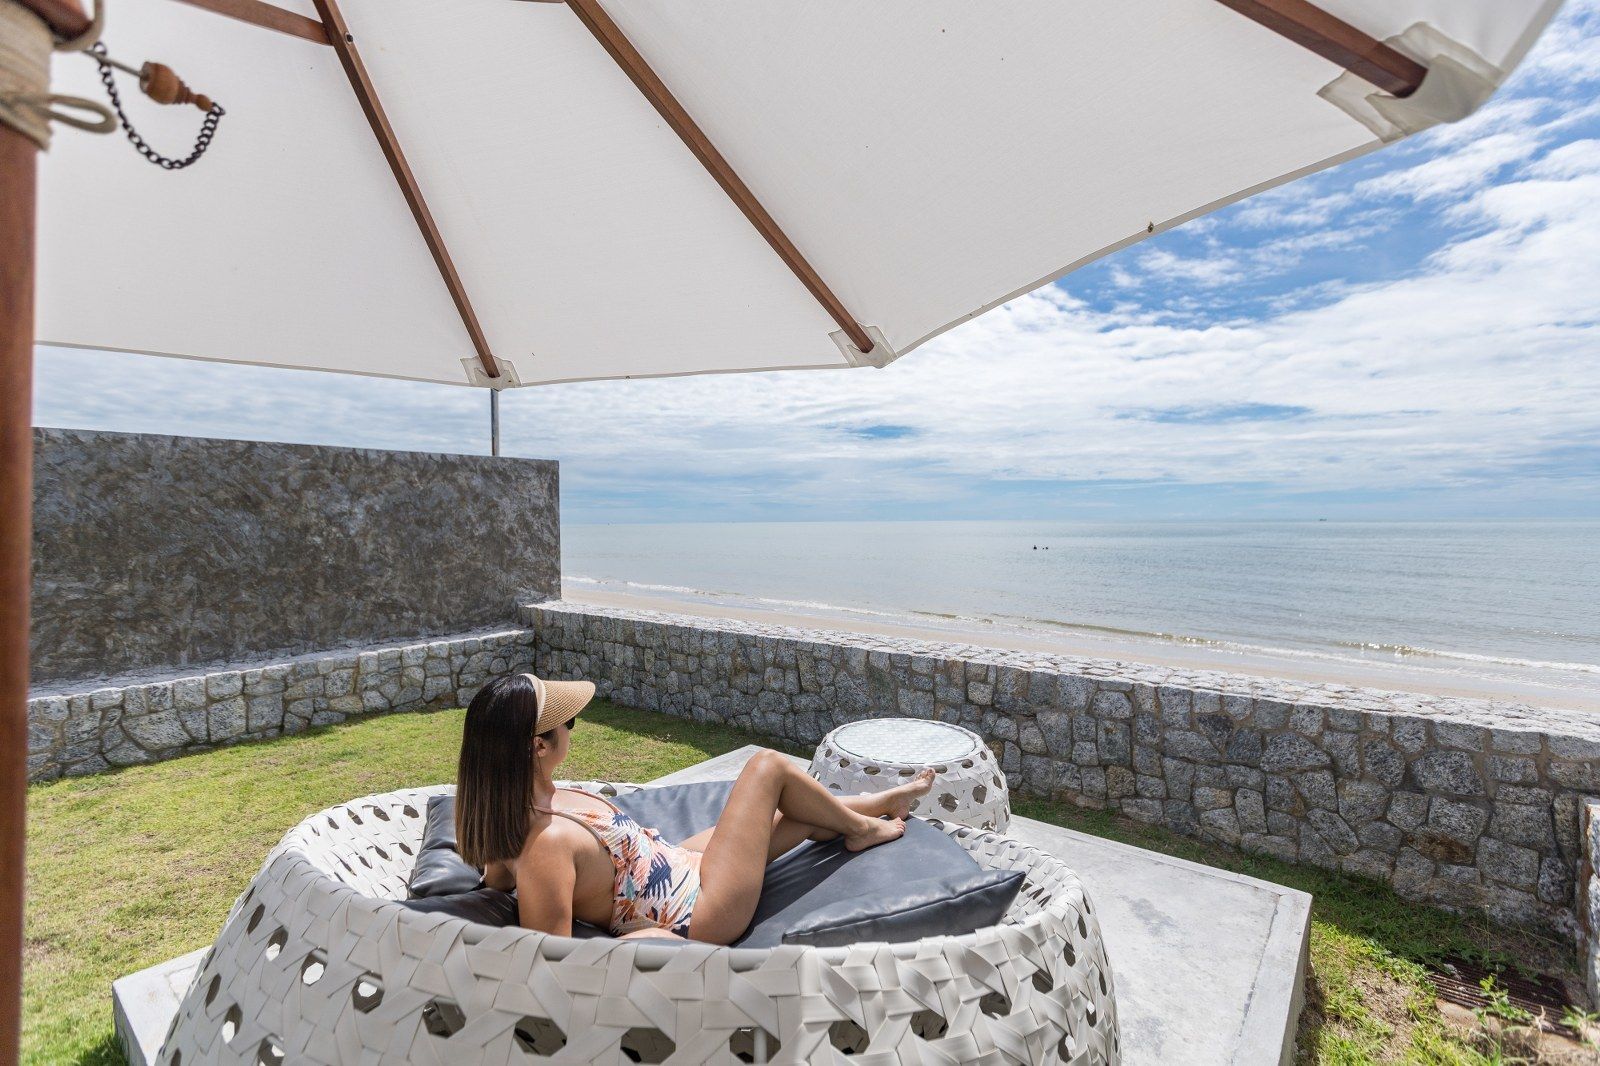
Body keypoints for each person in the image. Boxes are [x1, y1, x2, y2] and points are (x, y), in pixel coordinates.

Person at [455, 672, 935, 944]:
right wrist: (642, 946)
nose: (573, 729)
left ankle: (873, 804)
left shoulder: (516, 809)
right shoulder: (547, 844)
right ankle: (862, 827)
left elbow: (497, 876)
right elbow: (556, 964)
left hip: (679, 866)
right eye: (569, 722)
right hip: (698, 912)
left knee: (796, 817)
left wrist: (496, 880)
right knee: (768, 768)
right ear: (539, 746)